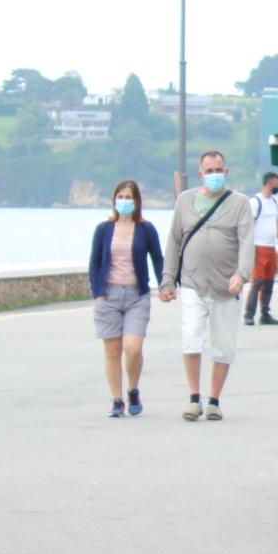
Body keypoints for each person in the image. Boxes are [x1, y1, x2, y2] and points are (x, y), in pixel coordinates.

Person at [158, 150, 252, 422]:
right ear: (200, 174)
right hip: (191, 282)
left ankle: (214, 400)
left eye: (218, 170)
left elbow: (247, 241)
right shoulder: (185, 201)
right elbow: (174, 241)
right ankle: (193, 397)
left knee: (223, 346)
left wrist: (241, 274)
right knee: (191, 338)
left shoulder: (239, 203)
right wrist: (167, 279)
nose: (214, 175)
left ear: (227, 172)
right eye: (209, 170)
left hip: (225, 286)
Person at [88, 179, 164, 418]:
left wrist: (165, 284)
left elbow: (158, 259)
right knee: (112, 351)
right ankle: (117, 399)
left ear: (137, 201)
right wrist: (97, 292)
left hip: (136, 295)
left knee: (132, 347)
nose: (124, 201)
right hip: (108, 294)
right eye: (120, 197)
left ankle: (133, 388)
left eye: (128, 197)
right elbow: (94, 262)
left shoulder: (145, 228)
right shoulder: (103, 229)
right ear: (114, 200)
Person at [244, 171, 278, 327]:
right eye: (277, 184)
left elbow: (276, 224)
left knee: (269, 282)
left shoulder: (274, 202)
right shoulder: (256, 202)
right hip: (258, 247)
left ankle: (265, 313)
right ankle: (249, 314)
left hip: (270, 247)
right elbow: (248, 225)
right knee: (257, 281)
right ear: (269, 183)